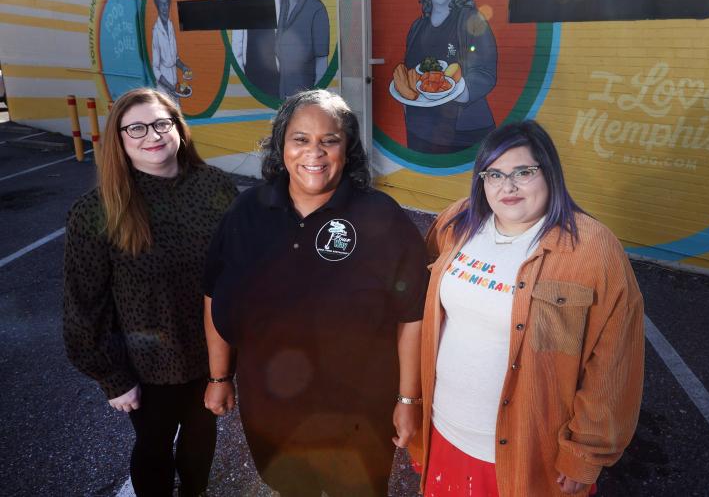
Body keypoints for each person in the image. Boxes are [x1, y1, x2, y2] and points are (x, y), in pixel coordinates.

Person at [203, 89, 429, 496]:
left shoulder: (381, 217)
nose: (315, 152)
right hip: (271, 411)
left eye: (330, 140)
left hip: (359, 415)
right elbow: (213, 293)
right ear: (281, 145)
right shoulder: (247, 212)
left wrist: (407, 400)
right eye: (301, 139)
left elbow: (411, 315)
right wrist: (219, 376)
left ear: (348, 148)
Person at [413, 120, 645, 496]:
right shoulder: (457, 223)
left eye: (523, 172)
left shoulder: (592, 250)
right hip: (444, 430)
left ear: (549, 172)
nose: (508, 186)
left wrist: (584, 454)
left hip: (528, 454)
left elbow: (614, 364)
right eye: (495, 174)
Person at [63, 87, 238, 497]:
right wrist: (112, 378)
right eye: (136, 128)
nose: (152, 135)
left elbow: (238, 271)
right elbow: (84, 307)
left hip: (211, 355)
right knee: (154, 446)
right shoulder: (98, 210)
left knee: (200, 437)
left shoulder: (215, 187)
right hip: (146, 367)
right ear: (119, 140)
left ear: (178, 128)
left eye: (162, 123)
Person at [402, 0, 497, 154]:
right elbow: (409, 75)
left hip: (464, 134)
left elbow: (486, 72)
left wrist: (455, 91)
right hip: (419, 131)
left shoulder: (472, 20)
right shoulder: (417, 27)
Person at [276, 0, 330, 98]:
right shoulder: (284, 6)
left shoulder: (317, 11)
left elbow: (322, 70)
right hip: (285, 105)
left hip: (304, 109)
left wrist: (308, 106)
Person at [150, 0, 191, 104]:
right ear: (157, 5)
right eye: (162, 4)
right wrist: (169, 86)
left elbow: (174, 58)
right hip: (164, 90)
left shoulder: (171, 25)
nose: (165, 7)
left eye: (167, 3)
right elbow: (155, 69)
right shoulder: (156, 31)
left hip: (175, 86)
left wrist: (183, 67)